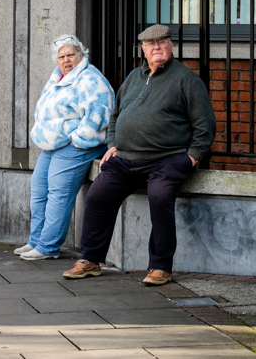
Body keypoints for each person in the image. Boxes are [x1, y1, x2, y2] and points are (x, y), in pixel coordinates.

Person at [62, 24, 216, 285]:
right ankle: (90, 259)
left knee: (159, 197)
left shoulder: (186, 79)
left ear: (171, 46)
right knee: (98, 195)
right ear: (143, 49)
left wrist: (193, 156)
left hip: (167, 159)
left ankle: (160, 266)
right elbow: (115, 115)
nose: (157, 47)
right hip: (125, 159)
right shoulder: (134, 76)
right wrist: (113, 143)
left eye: (162, 42)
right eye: (150, 44)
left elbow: (205, 125)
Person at [17, 35, 115, 261]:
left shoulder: (91, 79)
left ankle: (48, 246)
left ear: (81, 55)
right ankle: (36, 240)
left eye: (71, 55)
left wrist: (78, 139)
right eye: (61, 56)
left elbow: (101, 114)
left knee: (59, 192)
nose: (66, 60)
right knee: (39, 190)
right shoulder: (57, 79)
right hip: (54, 145)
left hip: (78, 145)